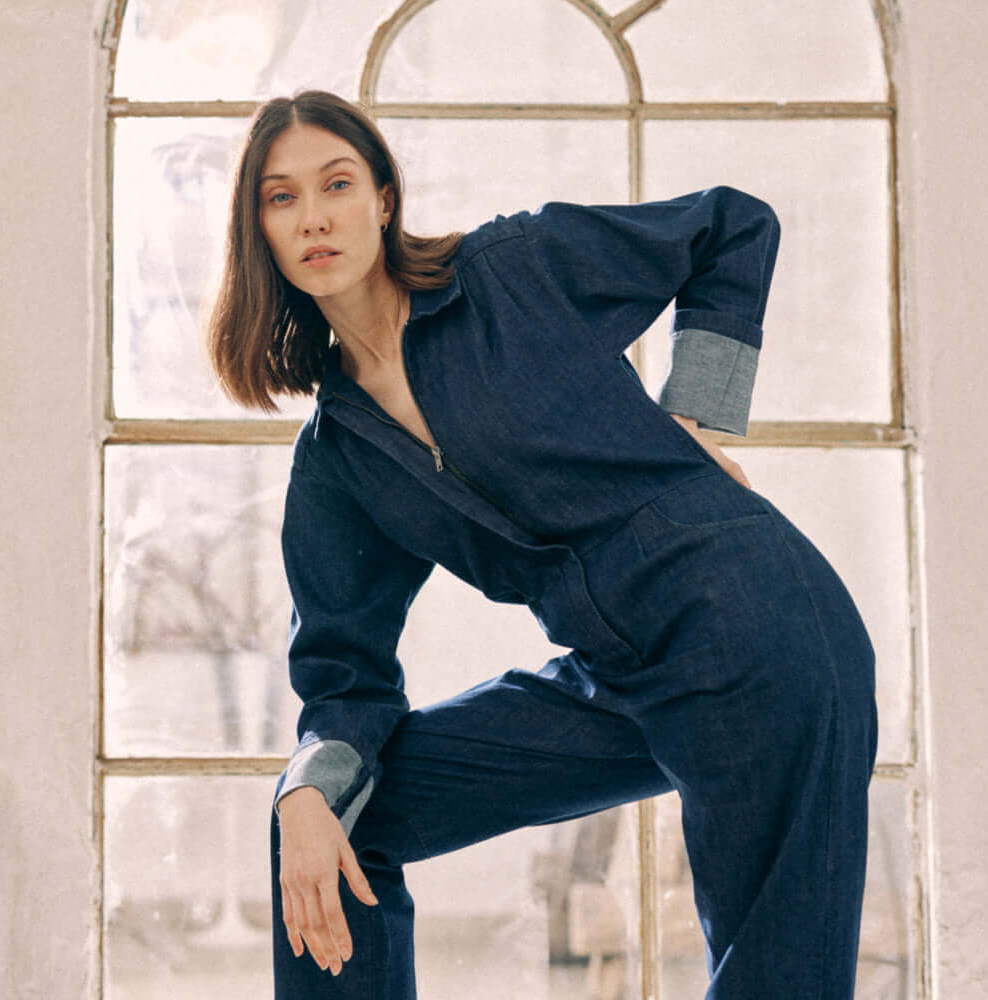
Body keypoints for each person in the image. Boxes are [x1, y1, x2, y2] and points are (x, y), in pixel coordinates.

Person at [205, 90, 878, 1000]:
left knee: (778, 982)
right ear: (260, 232)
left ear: (384, 199)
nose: (315, 216)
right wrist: (304, 790)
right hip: (617, 668)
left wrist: (697, 416)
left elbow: (729, 227)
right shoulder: (338, 462)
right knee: (338, 821)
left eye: (337, 184)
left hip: (749, 623)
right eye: (281, 198)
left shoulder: (507, 273)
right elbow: (343, 679)